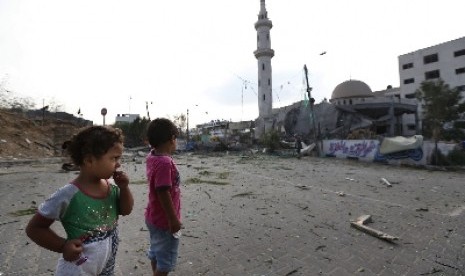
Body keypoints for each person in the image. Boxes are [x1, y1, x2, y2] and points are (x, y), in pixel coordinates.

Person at [25, 125, 134, 275]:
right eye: (114, 158)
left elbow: (126, 210)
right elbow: (34, 228)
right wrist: (63, 246)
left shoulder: (113, 187)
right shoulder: (68, 194)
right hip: (77, 269)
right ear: (89, 160)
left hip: (106, 266)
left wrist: (125, 188)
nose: (118, 164)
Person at [145, 118, 182, 276]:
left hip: (153, 216)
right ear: (171, 139)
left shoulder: (152, 156)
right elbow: (163, 192)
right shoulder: (165, 163)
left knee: (156, 251)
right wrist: (173, 220)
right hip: (164, 221)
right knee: (165, 262)